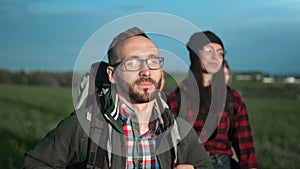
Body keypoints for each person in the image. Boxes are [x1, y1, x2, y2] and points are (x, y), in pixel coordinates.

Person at [22, 27, 213, 169]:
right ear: (112, 74)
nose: (146, 70)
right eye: (133, 62)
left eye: (153, 61)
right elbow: (34, 164)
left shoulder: (177, 130)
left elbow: (205, 166)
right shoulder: (84, 127)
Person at [167, 31, 259, 169]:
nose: (215, 56)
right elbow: (169, 145)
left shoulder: (232, 99)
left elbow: (246, 150)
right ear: (195, 54)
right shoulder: (176, 99)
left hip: (222, 163)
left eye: (220, 53)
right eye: (209, 50)